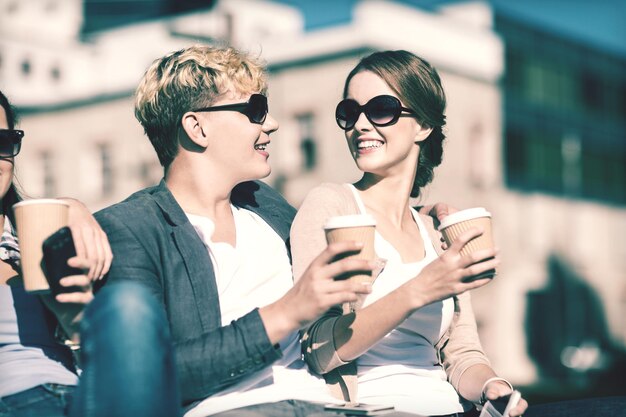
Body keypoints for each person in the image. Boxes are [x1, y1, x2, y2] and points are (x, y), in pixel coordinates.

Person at [94, 44, 376, 417]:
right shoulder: (132, 227)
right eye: (255, 110)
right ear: (197, 127)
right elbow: (149, 372)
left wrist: (425, 216)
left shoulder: (266, 204)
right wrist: (286, 313)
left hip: (330, 406)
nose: (272, 124)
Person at [290, 50, 528, 417]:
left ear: (423, 125)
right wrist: (417, 291)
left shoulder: (434, 231)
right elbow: (317, 349)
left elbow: (462, 353)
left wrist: (492, 387)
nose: (361, 125)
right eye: (350, 113)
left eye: (381, 109)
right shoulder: (331, 207)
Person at [0, 89, 179, 417]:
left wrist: (76, 323)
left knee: (130, 304)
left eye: (2, 142)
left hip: (79, 397)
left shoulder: (42, 232)